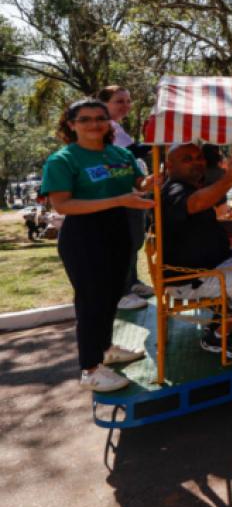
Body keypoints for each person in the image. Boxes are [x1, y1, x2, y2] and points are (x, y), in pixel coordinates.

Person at [42, 98, 157, 392]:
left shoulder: (120, 153)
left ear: (109, 122)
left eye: (100, 118)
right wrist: (118, 200)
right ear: (71, 125)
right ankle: (90, 369)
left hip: (118, 230)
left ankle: (105, 349)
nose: (94, 124)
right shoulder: (63, 160)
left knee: (111, 297)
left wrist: (152, 181)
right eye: (85, 119)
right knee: (91, 302)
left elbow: (139, 184)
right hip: (84, 236)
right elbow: (63, 204)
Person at [160, 144, 232, 359]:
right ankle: (219, 335)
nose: (197, 162)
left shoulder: (189, 188)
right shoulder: (173, 191)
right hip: (195, 277)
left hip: (217, 262)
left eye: (199, 157)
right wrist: (230, 177)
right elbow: (195, 203)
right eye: (187, 159)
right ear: (169, 166)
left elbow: (219, 227)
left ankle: (230, 313)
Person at [100, 85, 153, 311]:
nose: (126, 105)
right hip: (119, 193)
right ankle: (120, 292)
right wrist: (158, 141)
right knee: (126, 242)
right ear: (104, 104)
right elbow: (133, 151)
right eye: (119, 101)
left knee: (134, 240)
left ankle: (132, 282)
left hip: (132, 191)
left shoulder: (116, 126)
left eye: (128, 101)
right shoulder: (108, 127)